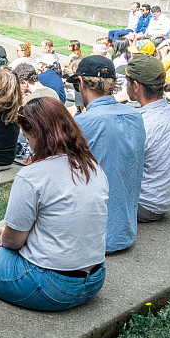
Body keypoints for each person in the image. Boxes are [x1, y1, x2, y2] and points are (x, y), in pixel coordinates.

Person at [0, 96, 107, 311]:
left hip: (52, 285)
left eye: (28, 139)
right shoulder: (92, 166)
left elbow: (14, 242)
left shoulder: (32, 175)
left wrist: (4, 233)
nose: (28, 145)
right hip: (94, 278)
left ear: (38, 136)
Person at [68, 55, 144, 252]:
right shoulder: (136, 117)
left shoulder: (83, 123)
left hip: (93, 240)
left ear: (82, 82)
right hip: (125, 232)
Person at [125, 56, 170, 222]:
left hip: (142, 205)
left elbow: (121, 171)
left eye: (126, 81)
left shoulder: (140, 122)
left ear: (135, 85)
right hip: (164, 204)